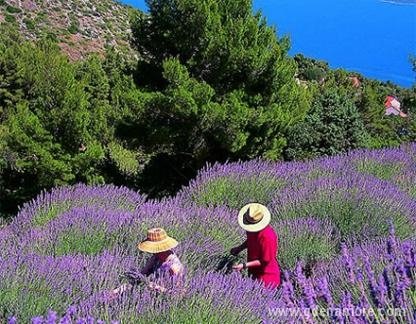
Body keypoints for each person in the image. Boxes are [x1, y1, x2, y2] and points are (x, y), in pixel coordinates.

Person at [109, 228, 184, 298]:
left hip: (166, 302)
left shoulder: (174, 267)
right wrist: (119, 290)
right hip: (151, 296)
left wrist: (158, 288)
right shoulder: (156, 257)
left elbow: (179, 294)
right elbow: (140, 277)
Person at [230, 203, 281, 289]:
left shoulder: (268, 237)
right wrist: (239, 248)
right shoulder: (252, 228)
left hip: (266, 277)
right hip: (253, 272)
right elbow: (251, 240)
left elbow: (265, 261)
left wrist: (244, 265)